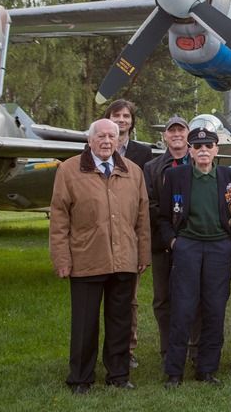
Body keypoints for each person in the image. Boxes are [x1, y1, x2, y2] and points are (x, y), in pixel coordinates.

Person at [49, 118, 149, 393]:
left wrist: (143, 253)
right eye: (101, 136)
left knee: (120, 321)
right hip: (86, 259)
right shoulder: (69, 171)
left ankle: (118, 375)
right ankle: (80, 378)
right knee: (85, 323)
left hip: (124, 259)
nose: (106, 141)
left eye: (111, 136)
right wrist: (61, 258)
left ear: (119, 140)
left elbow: (142, 217)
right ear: (90, 140)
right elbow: (59, 219)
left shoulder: (133, 171)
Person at [159, 127, 231, 388]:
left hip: (219, 248)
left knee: (215, 310)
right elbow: (163, 216)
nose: (203, 150)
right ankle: (174, 371)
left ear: (217, 149)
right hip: (188, 247)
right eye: (198, 146)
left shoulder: (230, 177)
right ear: (190, 151)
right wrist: (174, 241)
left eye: (208, 146)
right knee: (183, 310)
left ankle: (207, 369)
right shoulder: (175, 176)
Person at [103, 98, 153, 367]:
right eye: (116, 115)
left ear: (132, 121)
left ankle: (127, 348)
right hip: (102, 233)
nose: (121, 120)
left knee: (128, 298)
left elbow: (143, 200)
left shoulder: (142, 153)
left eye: (126, 116)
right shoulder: (97, 146)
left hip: (129, 233)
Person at [143, 116, 193, 362]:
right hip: (162, 243)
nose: (176, 135)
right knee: (163, 299)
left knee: (192, 296)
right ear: (165, 136)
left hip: (193, 241)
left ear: (188, 134)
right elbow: (149, 203)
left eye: (180, 130)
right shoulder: (152, 167)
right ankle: (168, 350)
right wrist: (169, 229)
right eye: (171, 131)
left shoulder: (199, 161)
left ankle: (193, 349)